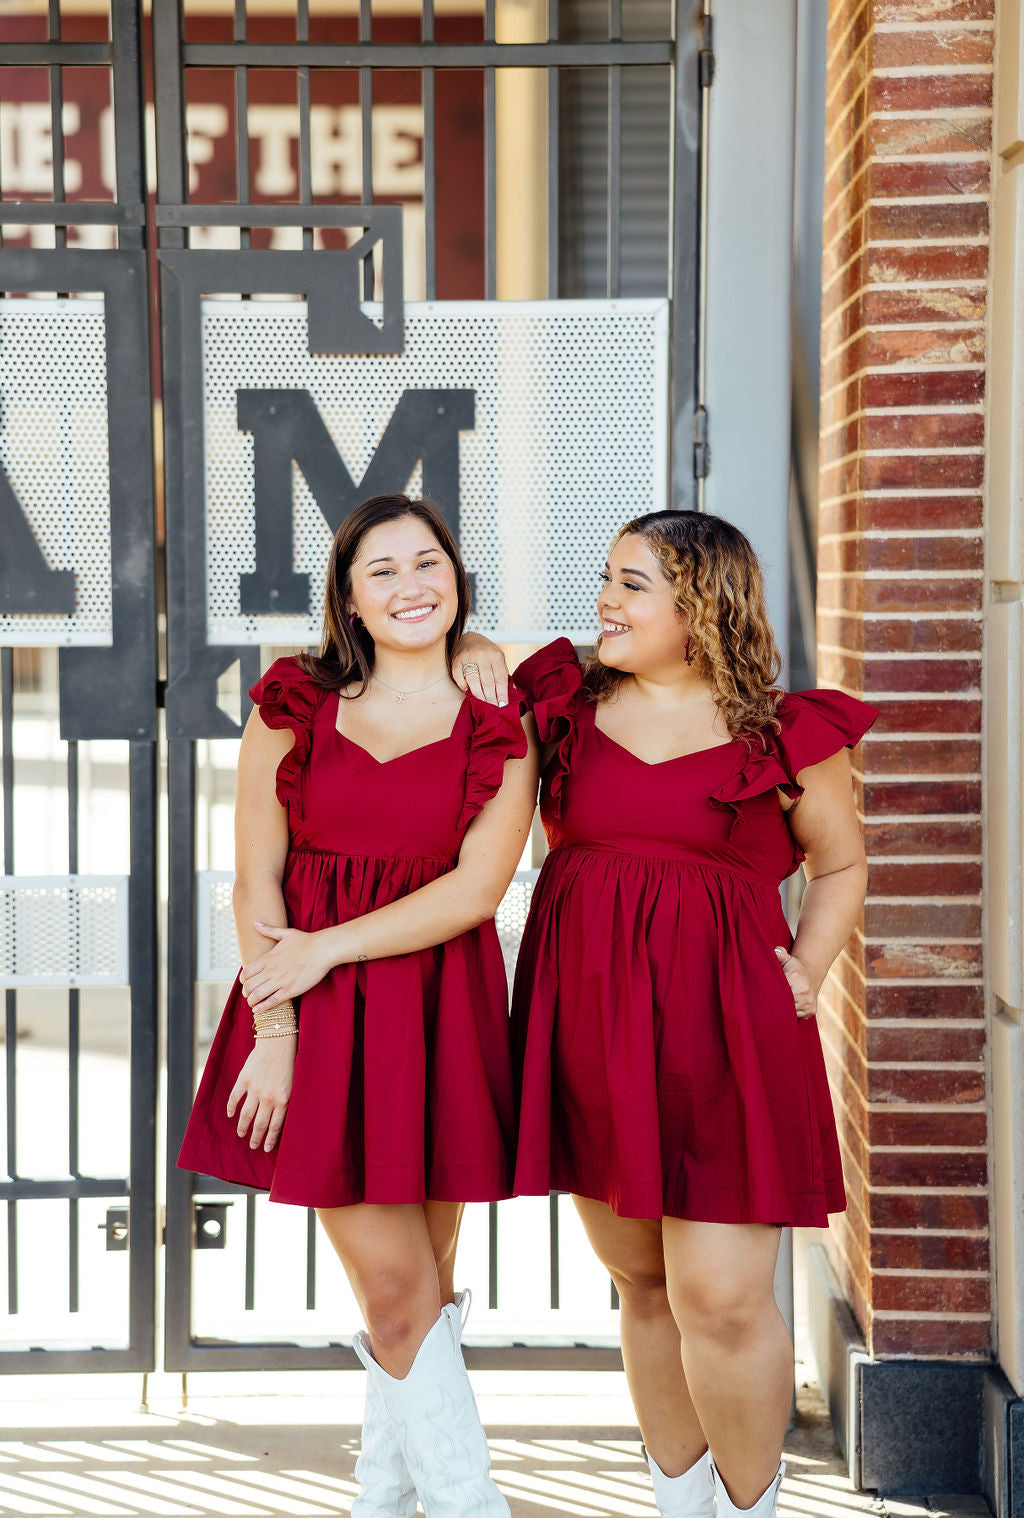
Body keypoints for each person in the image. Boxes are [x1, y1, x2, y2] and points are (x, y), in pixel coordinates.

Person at [459, 509, 876, 1518]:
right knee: (644, 1288)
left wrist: (808, 971)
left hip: (728, 1031)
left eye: (631, 583)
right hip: (590, 1027)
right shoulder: (561, 703)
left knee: (723, 1302)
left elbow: (842, 861)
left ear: (703, 603)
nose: (604, 599)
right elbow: (454, 664)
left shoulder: (781, 733)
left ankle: (749, 1511)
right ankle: (679, 1507)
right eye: (606, 577)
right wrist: (473, 645)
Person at [178, 494, 536, 1518]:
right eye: (381, 570)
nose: (411, 585)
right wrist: (276, 1030)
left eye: (429, 563)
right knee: (395, 1293)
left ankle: (382, 1503)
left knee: (419, 1286)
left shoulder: (500, 720)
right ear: (346, 597)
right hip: (313, 1019)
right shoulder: (291, 705)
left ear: (458, 580)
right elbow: (255, 887)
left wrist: (326, 948)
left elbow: (476, 892)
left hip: (440, 1017)